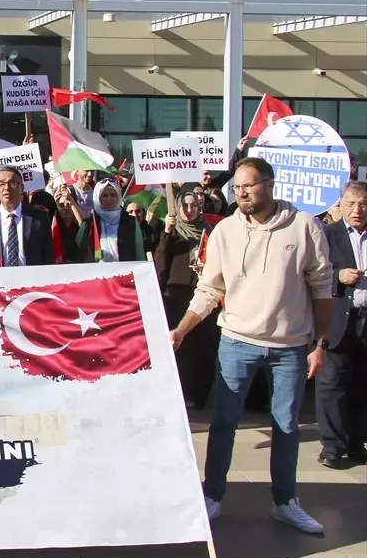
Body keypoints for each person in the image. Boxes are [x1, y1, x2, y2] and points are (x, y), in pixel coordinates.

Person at [170, 157, 333, 534]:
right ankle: (212, 496)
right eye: (237, 187)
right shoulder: (225, 230)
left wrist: (319, 343)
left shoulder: (305, 227)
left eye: (249, 185)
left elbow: (323, 289)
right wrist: (182, 329)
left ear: (271, 185)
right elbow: (210, 289)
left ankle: (285, 502)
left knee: (286, 426)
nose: (241, 192)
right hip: (236, 343)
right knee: (224, 423)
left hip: (290, 347)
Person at [315, 180, 367, 469]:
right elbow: (312, 271)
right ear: (341, 205)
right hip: (338, 319)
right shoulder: (327, 234)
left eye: (362, 204)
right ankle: (333, 447)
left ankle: (357, 443)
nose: (357, 210)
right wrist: (338, 276)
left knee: (361, 385)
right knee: (333, 384)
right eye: (351, 204)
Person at [154, 191, 219, 409]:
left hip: (204, 296)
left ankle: (200, 395)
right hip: (177, 296)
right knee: (182, 347)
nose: (189, 210)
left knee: (204, 346)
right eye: (185, 206)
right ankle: (181, 392)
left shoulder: (210, 232)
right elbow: (160, 263)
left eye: (193, 206)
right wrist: (167, 232)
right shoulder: (173, 232)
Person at [0, 166, 55, 267]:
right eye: (1, 184)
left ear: (22, 188)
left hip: (30, 280)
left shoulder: (39, 217)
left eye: (12, 183)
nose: (6, 188)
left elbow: (48, 256)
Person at [72, 178, 143, 262]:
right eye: (105, 196)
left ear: (118, 197)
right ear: (98, 198)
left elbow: (139, 253)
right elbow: (79, 253)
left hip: (125, 272)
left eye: (113, 195)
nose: (109, 199)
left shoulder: (130, 222)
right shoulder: (90, 223)